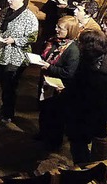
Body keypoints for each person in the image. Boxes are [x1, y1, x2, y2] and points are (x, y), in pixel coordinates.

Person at [66, 29, 107, 164]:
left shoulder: (94, 71)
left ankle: (86, 170)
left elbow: (84, 94)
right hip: (97, 113)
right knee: (99, 137)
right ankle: (97, 168)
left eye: (80, 42)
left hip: (87, 113)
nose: (78, 44)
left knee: (79, 143)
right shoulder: (103, 62)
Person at [0, 0, 38, 124]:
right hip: (3, 53)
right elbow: (0, 26)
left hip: (17, 57)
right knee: (4, 84)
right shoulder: (6, 11)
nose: (9, 1)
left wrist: (14, 40)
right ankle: (4, 108)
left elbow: (32, 38)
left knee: (10, 85)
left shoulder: (29, 17)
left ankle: (8, 114)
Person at [35, 15, 80, 151]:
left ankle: (54, 143)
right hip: (46, 83)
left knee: (56, 116)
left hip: (59, 88)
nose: (56, 29)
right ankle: (43, 134)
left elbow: (68, 73)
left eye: (60, 28)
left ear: (69, 31)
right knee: (44, 110)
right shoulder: (55, 42)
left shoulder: (73, 50)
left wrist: (49, 68)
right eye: (57, 26)